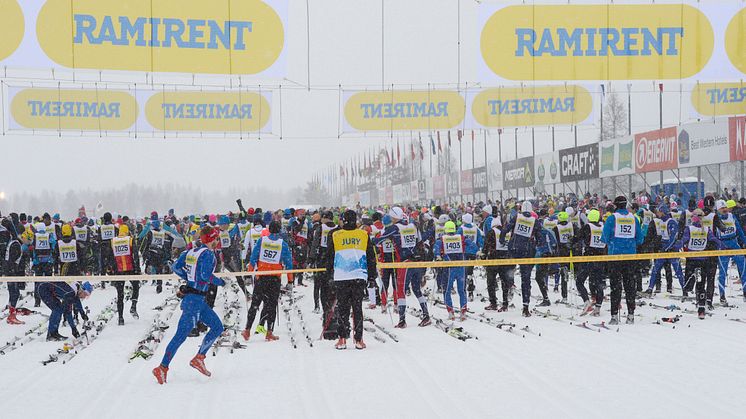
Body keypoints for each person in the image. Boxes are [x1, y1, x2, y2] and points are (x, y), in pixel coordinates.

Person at [153, 226, 226, 385]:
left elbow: (176, 268)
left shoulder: (191, 252)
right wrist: (220, 282)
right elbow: (206, 275)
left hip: (197, 300)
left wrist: (188, 278)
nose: (217, 241)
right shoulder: (209, 255)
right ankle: (162, 367)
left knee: (217, 327)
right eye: (216, 239)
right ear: (211, 239)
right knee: (180, 336)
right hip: (194, 302)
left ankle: (199, 358)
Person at [325, 210, 377, 350]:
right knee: (357, 307)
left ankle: (342, 339)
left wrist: (329, 275)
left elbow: (329, 257)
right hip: (359, 276)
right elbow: (371, 257)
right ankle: (359, 340)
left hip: (341, 276)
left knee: (342, 308)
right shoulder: (363, 234)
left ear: (343, 220)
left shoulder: (336, 235)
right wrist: (372, 276)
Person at [241, 220, 293, 342]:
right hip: (274, 279)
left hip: (261, 277)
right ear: (279, 231)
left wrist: (249, 273)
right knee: (271, 305)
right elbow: (289, 264)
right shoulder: (283, 245)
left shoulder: (262, 240)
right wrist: (290, 281)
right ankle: (269, 332)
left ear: (269, 230)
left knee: (255, 304)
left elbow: (253, 256)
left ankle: (247, 330)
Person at [600, 196, 647, 325]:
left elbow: (604, 237)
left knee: (615, 286)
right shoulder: (634, 218)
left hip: (615, 256)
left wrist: (613, 242)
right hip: (630, 256)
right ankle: (631, 314)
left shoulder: (612, 218)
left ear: (615, 205)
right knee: (630, 285)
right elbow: (640, 239)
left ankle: (614, 315)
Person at [501, 201, 545, 317]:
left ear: (520, 209)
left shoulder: (516, 217)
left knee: (508, 273)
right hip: (527, 252)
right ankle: (525, 307)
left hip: (514, 250)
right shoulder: (535, 221)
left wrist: (502, 238)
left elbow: (506, 229)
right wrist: (538, 244)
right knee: (526, 279)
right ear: (531, 211)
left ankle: (507, 293)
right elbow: (541, 238)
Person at [680, 211, 722, 319]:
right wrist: (721, 245)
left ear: (693, 218)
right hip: (703, 260)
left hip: (693, 260)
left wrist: (675, 247)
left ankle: (700, 303)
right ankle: (701, 307)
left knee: (691, 285)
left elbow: (684, 240)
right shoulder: (706, 229)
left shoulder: (689, 229)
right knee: (701, 284)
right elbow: (714, 239)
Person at [433, 221, 472, 321]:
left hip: (449, 268)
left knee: (446, 290)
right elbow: (472, 245)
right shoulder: (461, 237)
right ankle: (463, 312)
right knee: (462, 290)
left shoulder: (442, 239)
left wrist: (437, 255)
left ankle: (450, 312)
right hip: (461, 267)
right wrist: (475, 252)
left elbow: (436, 247)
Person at [643, 205, 685, 296]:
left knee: (677, 270)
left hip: (671, 249)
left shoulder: (671, 222)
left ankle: (684, 289)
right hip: (664, 247)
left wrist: (667, 248)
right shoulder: (661, 221)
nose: (657, 213)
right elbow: (662, 236)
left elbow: (673, 237)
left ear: (663, 212)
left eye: (659, 211)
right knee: (656, 268)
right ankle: (650, 288)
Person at [574, 209, 606, 316]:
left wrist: (572, 241)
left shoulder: (588, 227)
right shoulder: (603, 226)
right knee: (598, 284)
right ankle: (598, 307)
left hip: (589, 258)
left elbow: (578, 237)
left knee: (579, 281)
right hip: (601, 259)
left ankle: (586, 302)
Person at [714, 200, 746, 304]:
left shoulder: (732, 216)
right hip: (723, 246)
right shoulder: (716, 218)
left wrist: (744, 242)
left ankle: (745, 293)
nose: (724, 210)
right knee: (723, 273)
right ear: (718, 210)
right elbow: (712, 234)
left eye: (725, 208)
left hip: (734, 244)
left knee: (743, 269)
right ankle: (722, 296)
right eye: (722, 208)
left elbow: (740, 230)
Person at [483, 216, 515, 311]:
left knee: (491, 282)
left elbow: (486, 246)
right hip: (505, 260)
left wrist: (483, 256)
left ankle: (493, 303)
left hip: (493, 260)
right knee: (504, 282)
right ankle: (505, 303)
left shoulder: (491, 232)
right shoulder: (507, 232)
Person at [112, 224, 141, 325]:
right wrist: (138, 269)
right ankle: (133, 305)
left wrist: (111, 270)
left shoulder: (113, 241)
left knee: (120, 295)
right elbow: (136, 255)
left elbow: (110, 256)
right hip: (130, 269)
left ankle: (120, 318)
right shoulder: (130, 240)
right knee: (136, 286)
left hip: (118, 270)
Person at [2, 216, 26, 324]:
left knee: (14, 292)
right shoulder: (15, 244)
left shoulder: (13, 242)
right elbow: (12, 259)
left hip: (9, 270)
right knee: (14, 292)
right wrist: (13, 272)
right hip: (11, 270)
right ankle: (12, 315)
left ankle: (12, 310)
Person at [458, 213, 483, 302]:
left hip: (464, 252)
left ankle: (464, 290)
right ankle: (470, 290)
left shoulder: (461, 229)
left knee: (464, 271)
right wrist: (480, 249)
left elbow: (457, 239)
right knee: (470, 271)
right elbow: (480, 240)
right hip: (473, 252)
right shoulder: (476, 229)